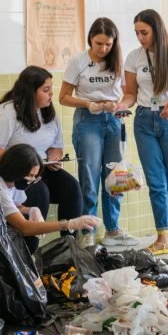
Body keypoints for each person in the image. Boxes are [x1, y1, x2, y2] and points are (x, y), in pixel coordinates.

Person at [0, 144, 99, 283]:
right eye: (29, 175)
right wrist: (68, 223)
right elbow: (25, 228)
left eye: (35, 177)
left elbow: (15, 208)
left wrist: (31, 210)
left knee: (10, 245)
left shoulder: (9, 183)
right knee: (8, 252)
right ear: (15, 169)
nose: (31, 180)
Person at [115, 9, 168, 255]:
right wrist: (121, 105)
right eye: (137, 33)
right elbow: (130, 94)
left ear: (157, 30)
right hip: (144, 120)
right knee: (155, 180)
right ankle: (162, 234)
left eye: (144, 32)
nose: (140, 38)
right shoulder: (134, 58)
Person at [0, 66, 86, 246]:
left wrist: (54, 157)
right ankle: (30, 252)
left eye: (51, 89)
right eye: (46, 90)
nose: (51, 94)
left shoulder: (48, 111)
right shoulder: (6, 112)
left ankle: (69, 247)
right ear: (30, 91)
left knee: (72, 188)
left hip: (39, 169)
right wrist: (22, 166)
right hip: (12, 173)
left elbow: (56, 146)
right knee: (39, 192)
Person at [58, 17, 138, 247]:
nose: (103, 49)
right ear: (90, 39)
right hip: (87, 121)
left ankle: (112, 229)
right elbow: (63, 97)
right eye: (99, 43)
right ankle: (87, 230)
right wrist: (87, 104)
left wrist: (120, 105)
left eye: (108, 45)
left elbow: (128, 94)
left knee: (116, 176)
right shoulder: (78, 62)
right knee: (89, 176)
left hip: (113, 121)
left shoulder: (118, 62)